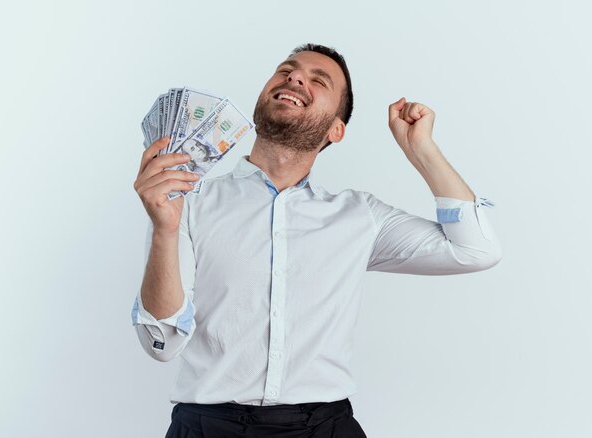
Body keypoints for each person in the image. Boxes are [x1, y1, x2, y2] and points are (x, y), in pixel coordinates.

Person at [131, 43, 502, 438]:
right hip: (208, 427)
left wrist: (421, 150)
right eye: (286, 71)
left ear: (335, 130)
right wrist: (163, 229)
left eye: (317, 80)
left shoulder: (361, 216)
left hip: (325, 428)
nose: (294, 77)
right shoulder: (188, 204)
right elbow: (162, 345)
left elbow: (475, 250)